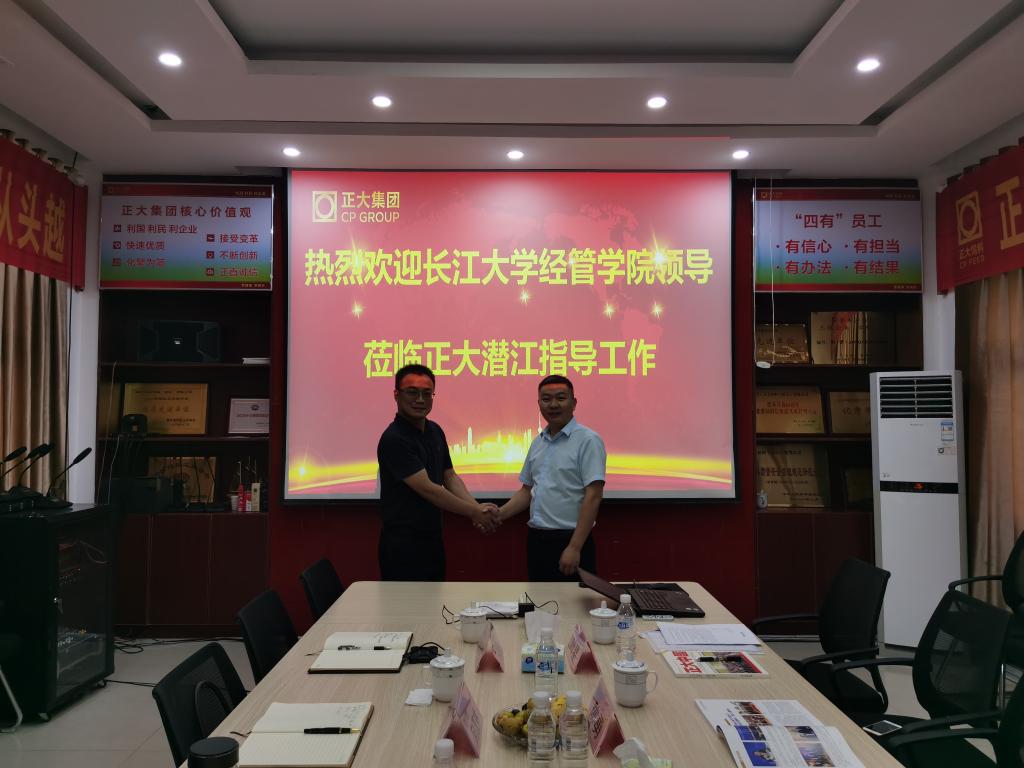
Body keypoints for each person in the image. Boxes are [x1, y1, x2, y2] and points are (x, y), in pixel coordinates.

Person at [376, 363, 498, 580]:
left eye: (426, 393)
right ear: (396, 394)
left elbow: (449, 476)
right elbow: (428, 489)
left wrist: (476, 507)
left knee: (434, 599)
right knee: (405, 603)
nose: (420, 399)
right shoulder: (394, 439)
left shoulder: (434, 431)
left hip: (432, 540)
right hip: (402, 545)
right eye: (412, 392)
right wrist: (474, 512)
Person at [497, 375, 606, 580]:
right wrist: (498, 515)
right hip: (537, 540)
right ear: (539, 404)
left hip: (571, 540)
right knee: (539, 599)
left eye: (561, 398)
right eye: (546, 399)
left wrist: (574, 547)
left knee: (575, 600)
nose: (553, 405)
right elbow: (526, 491)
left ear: (574, 403)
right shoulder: (538, 443)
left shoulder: (588, 440)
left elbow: (593, 496)